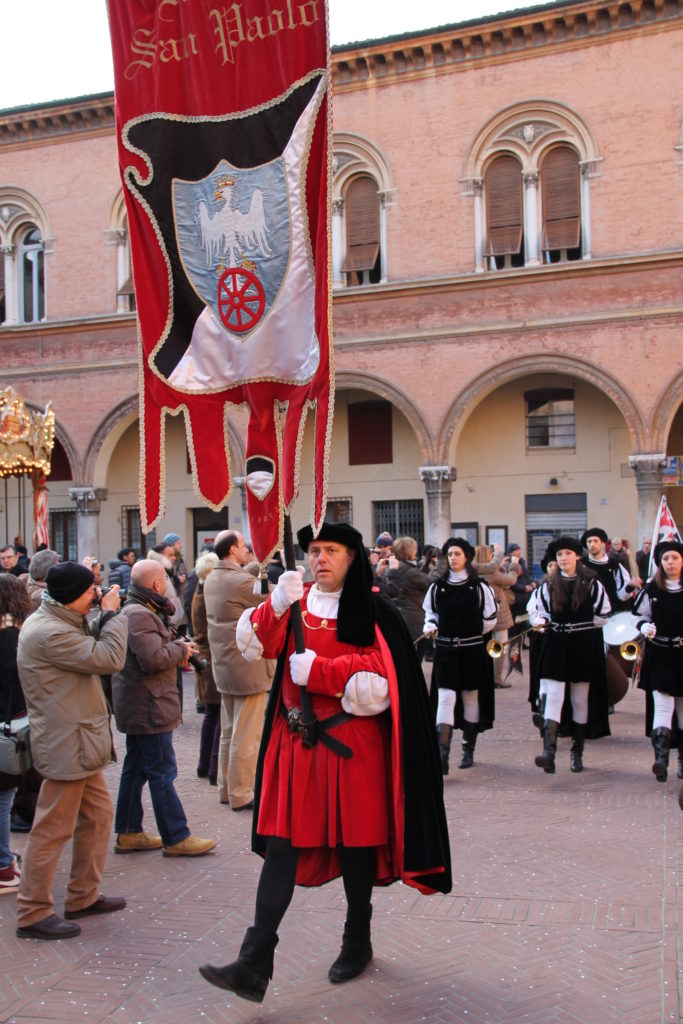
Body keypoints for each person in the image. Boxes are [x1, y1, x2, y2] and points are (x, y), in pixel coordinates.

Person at [198, 522, 451, 1002]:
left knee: (356, 846)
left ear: (352, 556)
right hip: (297, 746)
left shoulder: (374, 610)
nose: (320, 559)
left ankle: (357, 938)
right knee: (281, 848)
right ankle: (253, 962)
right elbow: (254, 647)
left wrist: (323, 672)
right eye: (314, 551)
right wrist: (274, 605)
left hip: (353, 748)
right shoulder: (297, 601)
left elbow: (385, 683)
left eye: (331, 550)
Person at [15, 562, 128, 940]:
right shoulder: (49, 632)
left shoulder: (57, 618)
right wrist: (112, 615)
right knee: (52, 829)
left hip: (78, 739)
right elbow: (108, 658)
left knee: (97, 818)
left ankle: (82, 894)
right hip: (67, 743)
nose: (96, 594)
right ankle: (33, 912)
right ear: (71, 596)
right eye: (90, 590)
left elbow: (85, 644)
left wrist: (99, 615)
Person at [111, 559, 216, 857]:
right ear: (157, 584)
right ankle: (176, 836)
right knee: (161, 771)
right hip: (148, 704)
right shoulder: (139, 614)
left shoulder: (138, 608)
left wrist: (175, 648)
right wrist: (180, 650)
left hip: (142, 702)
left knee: (137, 768)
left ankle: (129, 831)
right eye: (165, 582)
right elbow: (152, 660)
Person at [528, 536, 611, 774]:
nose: (563, 559)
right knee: (553, 695)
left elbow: (603, 614)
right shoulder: (548, 585)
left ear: (577, 556)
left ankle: (577, 751)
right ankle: (549, 751)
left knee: (579, 699)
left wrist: (583, 628)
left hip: (582, 646)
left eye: (567, 554)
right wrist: (541, 621)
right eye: (559, 555)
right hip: (555, 644)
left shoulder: (591, 583)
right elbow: (536, 610)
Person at [204, 531, 274, 811]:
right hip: (247, 667)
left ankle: (227, 788)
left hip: (226, 666)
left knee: (229, 730)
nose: (247, 551)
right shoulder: (238, 581)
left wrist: (261, 561)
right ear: (233, 550)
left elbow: (244, 577)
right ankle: (243, 793)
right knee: (248, 735)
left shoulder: (214, 576)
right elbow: (267, 594)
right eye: (244, 547)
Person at [423, 537, 497, 774]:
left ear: (466, 557)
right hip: (445, 650)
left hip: (472, 650)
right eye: (450, 554)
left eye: (457, 554)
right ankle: (442, 752)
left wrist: (470, 634)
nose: (453, 558)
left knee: (470, 697)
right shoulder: (437, 587)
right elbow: (430, 613)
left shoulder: (479, 586)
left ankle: (468, 748)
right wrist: (430, 626)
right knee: (445, 696)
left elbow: (490, 618)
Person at [632, 540, 683, 783]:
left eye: (674, 558)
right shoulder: (652, 590)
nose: (670, 563)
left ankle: (682, 761)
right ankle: (661, 759)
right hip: (660, 653)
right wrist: (644, 627)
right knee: (662, 706)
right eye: (665, 559)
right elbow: (638, 617)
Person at [0, 575, 32, 895]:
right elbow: (13, 679)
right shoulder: (8, 635)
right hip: (6, 725)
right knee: (3, 797)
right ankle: (2, 865)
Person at [471, 544, 521, 690]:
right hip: (498, 614)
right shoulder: (490, 573)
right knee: (499, 646)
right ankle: (497, 678)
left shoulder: (474, 571)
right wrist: (513, 566)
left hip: (478, 614)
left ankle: (482, 676)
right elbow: (511, 580)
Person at [191, 552, 222, 786]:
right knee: (217, 713)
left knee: (212, 713)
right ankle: (212, 767)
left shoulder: (199, 591)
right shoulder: (206, 596)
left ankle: (205, 764)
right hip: (211, 658)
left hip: (206, 657)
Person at [580, 527, 631, 612]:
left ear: (602, 543)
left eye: (595, 541)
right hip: (588, 614)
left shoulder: (615, 565)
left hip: (612, 613)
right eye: (589, 541)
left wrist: (631, 586)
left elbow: (622, 595)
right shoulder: (580, 565)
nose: (592, 544)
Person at [503, 542, 536, 637]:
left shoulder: (522, 562)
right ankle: (513, 641)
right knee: (514, 624)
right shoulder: (507, 565)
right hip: (515, 599)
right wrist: (524, 588)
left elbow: (527, 576)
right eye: (516, 550)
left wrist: (532, 582)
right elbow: (511, 582)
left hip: (525, 599)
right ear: (510, 553)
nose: (518, 552)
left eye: (519, 550)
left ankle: (523, 639)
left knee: (524, 622)